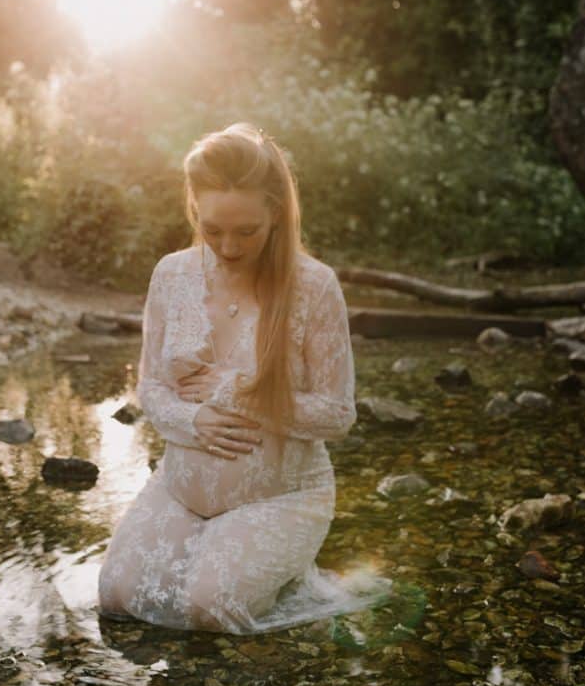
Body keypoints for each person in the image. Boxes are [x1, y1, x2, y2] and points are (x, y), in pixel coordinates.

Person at [97, 122, 390, 634]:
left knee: (208, 609)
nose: (228, 247)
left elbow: (339, 414)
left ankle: (274, 562)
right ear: (193, 206)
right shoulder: (170, 274)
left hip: (280, 497)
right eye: (213, 230)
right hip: (179, 492)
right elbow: (151, 387)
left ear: (276, 213)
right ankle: (209, 548)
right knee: (117, 597)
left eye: (247, 231)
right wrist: (195, 419)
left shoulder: (315, 288)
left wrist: (232, 392)